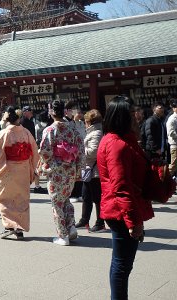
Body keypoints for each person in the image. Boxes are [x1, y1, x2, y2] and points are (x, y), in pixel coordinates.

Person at [97, 96, 153, 300]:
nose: (137, 117)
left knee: (121, 264)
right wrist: (133, 221)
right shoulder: (116, 145)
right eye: (133, 113)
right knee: (122, 265)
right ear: (122, 117)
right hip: (121, 210)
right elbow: (121, 187)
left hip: (121, 208)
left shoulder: (121, 140)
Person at [0, 106, 39, 240]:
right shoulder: (26, 133)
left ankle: (9, 226)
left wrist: (0, 163)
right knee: (21, 199)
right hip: (23, 169)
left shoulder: (4, 133)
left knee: (5, 198)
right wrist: (32, 168)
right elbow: (34, 153)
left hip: (8, 169)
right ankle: (19, 229)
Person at [39, 100, 85, 246]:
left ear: (51, 112)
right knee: (65, 199)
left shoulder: (50, 130)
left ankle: (62, 235)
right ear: (64, 112)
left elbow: (45, 151)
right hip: (70, 169)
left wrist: (47, 166)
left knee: (57, 202)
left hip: (57, 170)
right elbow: (80, 149)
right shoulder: (72, 130)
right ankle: (71, 227)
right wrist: (79, 168)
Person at [75, 109, 105, 232]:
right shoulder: (94, 132)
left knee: (97, 198)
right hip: (89, 170)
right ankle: (84, 220)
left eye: (86, 121)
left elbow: (93, 152)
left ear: (89, 122)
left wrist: (80, 151)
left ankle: (100, 222)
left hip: (94, 171)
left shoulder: (96, 133)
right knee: (86, 196)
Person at [166, 98, 177, 177]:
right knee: (173, 165)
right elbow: (171, 132)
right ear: (173, 108)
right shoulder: (172, 119)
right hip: (175, 145)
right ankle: (166, 180)